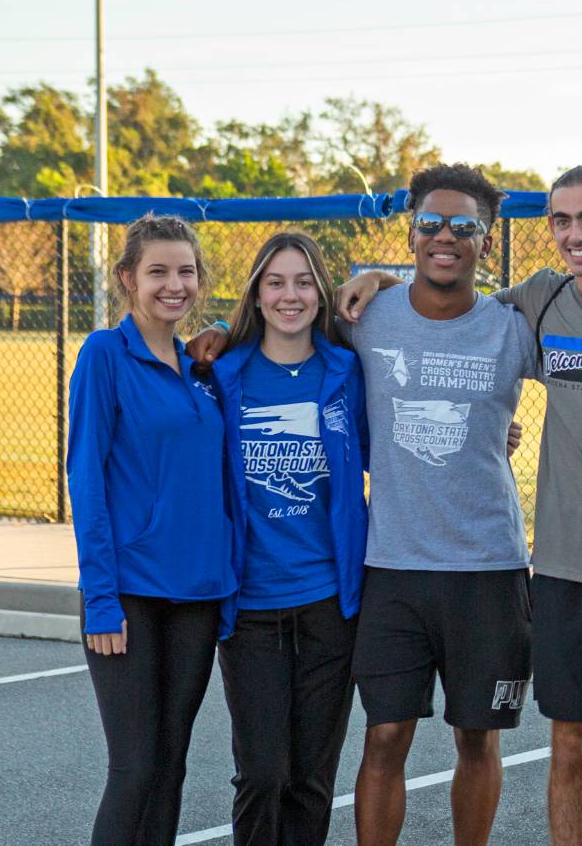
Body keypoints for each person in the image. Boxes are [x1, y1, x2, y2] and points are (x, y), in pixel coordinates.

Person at [338, 164, 582, 846]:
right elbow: (430, 297)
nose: (577, 233)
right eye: (563, 220)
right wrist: (377, 281)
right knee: (550, 744)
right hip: (529, 570)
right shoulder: (513, 303)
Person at [193, 163, 536, 846]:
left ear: (488, 240)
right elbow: (288, 325)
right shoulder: (368, 319)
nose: (446, 236)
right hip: (391, 568)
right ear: (408, 233)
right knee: (383, 739)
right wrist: (212, 336)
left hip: (489, 567)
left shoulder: (513, 325)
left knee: (478, 742)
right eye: (430, 223)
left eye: (464, 226)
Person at [68, 214, 237, 846]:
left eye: (186, 271)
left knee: (170, 769)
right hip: (130, 593)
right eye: (158, 271)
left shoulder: (204, 367)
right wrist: (102, 599)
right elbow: (85, 478)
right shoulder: (105, 354)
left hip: (195, 596)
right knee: (134, 769)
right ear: (127, 279)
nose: (175, 284)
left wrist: (220, 330)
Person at [208, 231, 369, 846]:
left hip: (330, 603)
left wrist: (489, 436)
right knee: (264, 773)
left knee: (311, 778)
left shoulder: (345, 371)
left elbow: (390, 450)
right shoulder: (221, 374)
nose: (290, 295)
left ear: (321, 293)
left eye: (303, 281)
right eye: (275, 282)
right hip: (250, 606)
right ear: (256, 292)